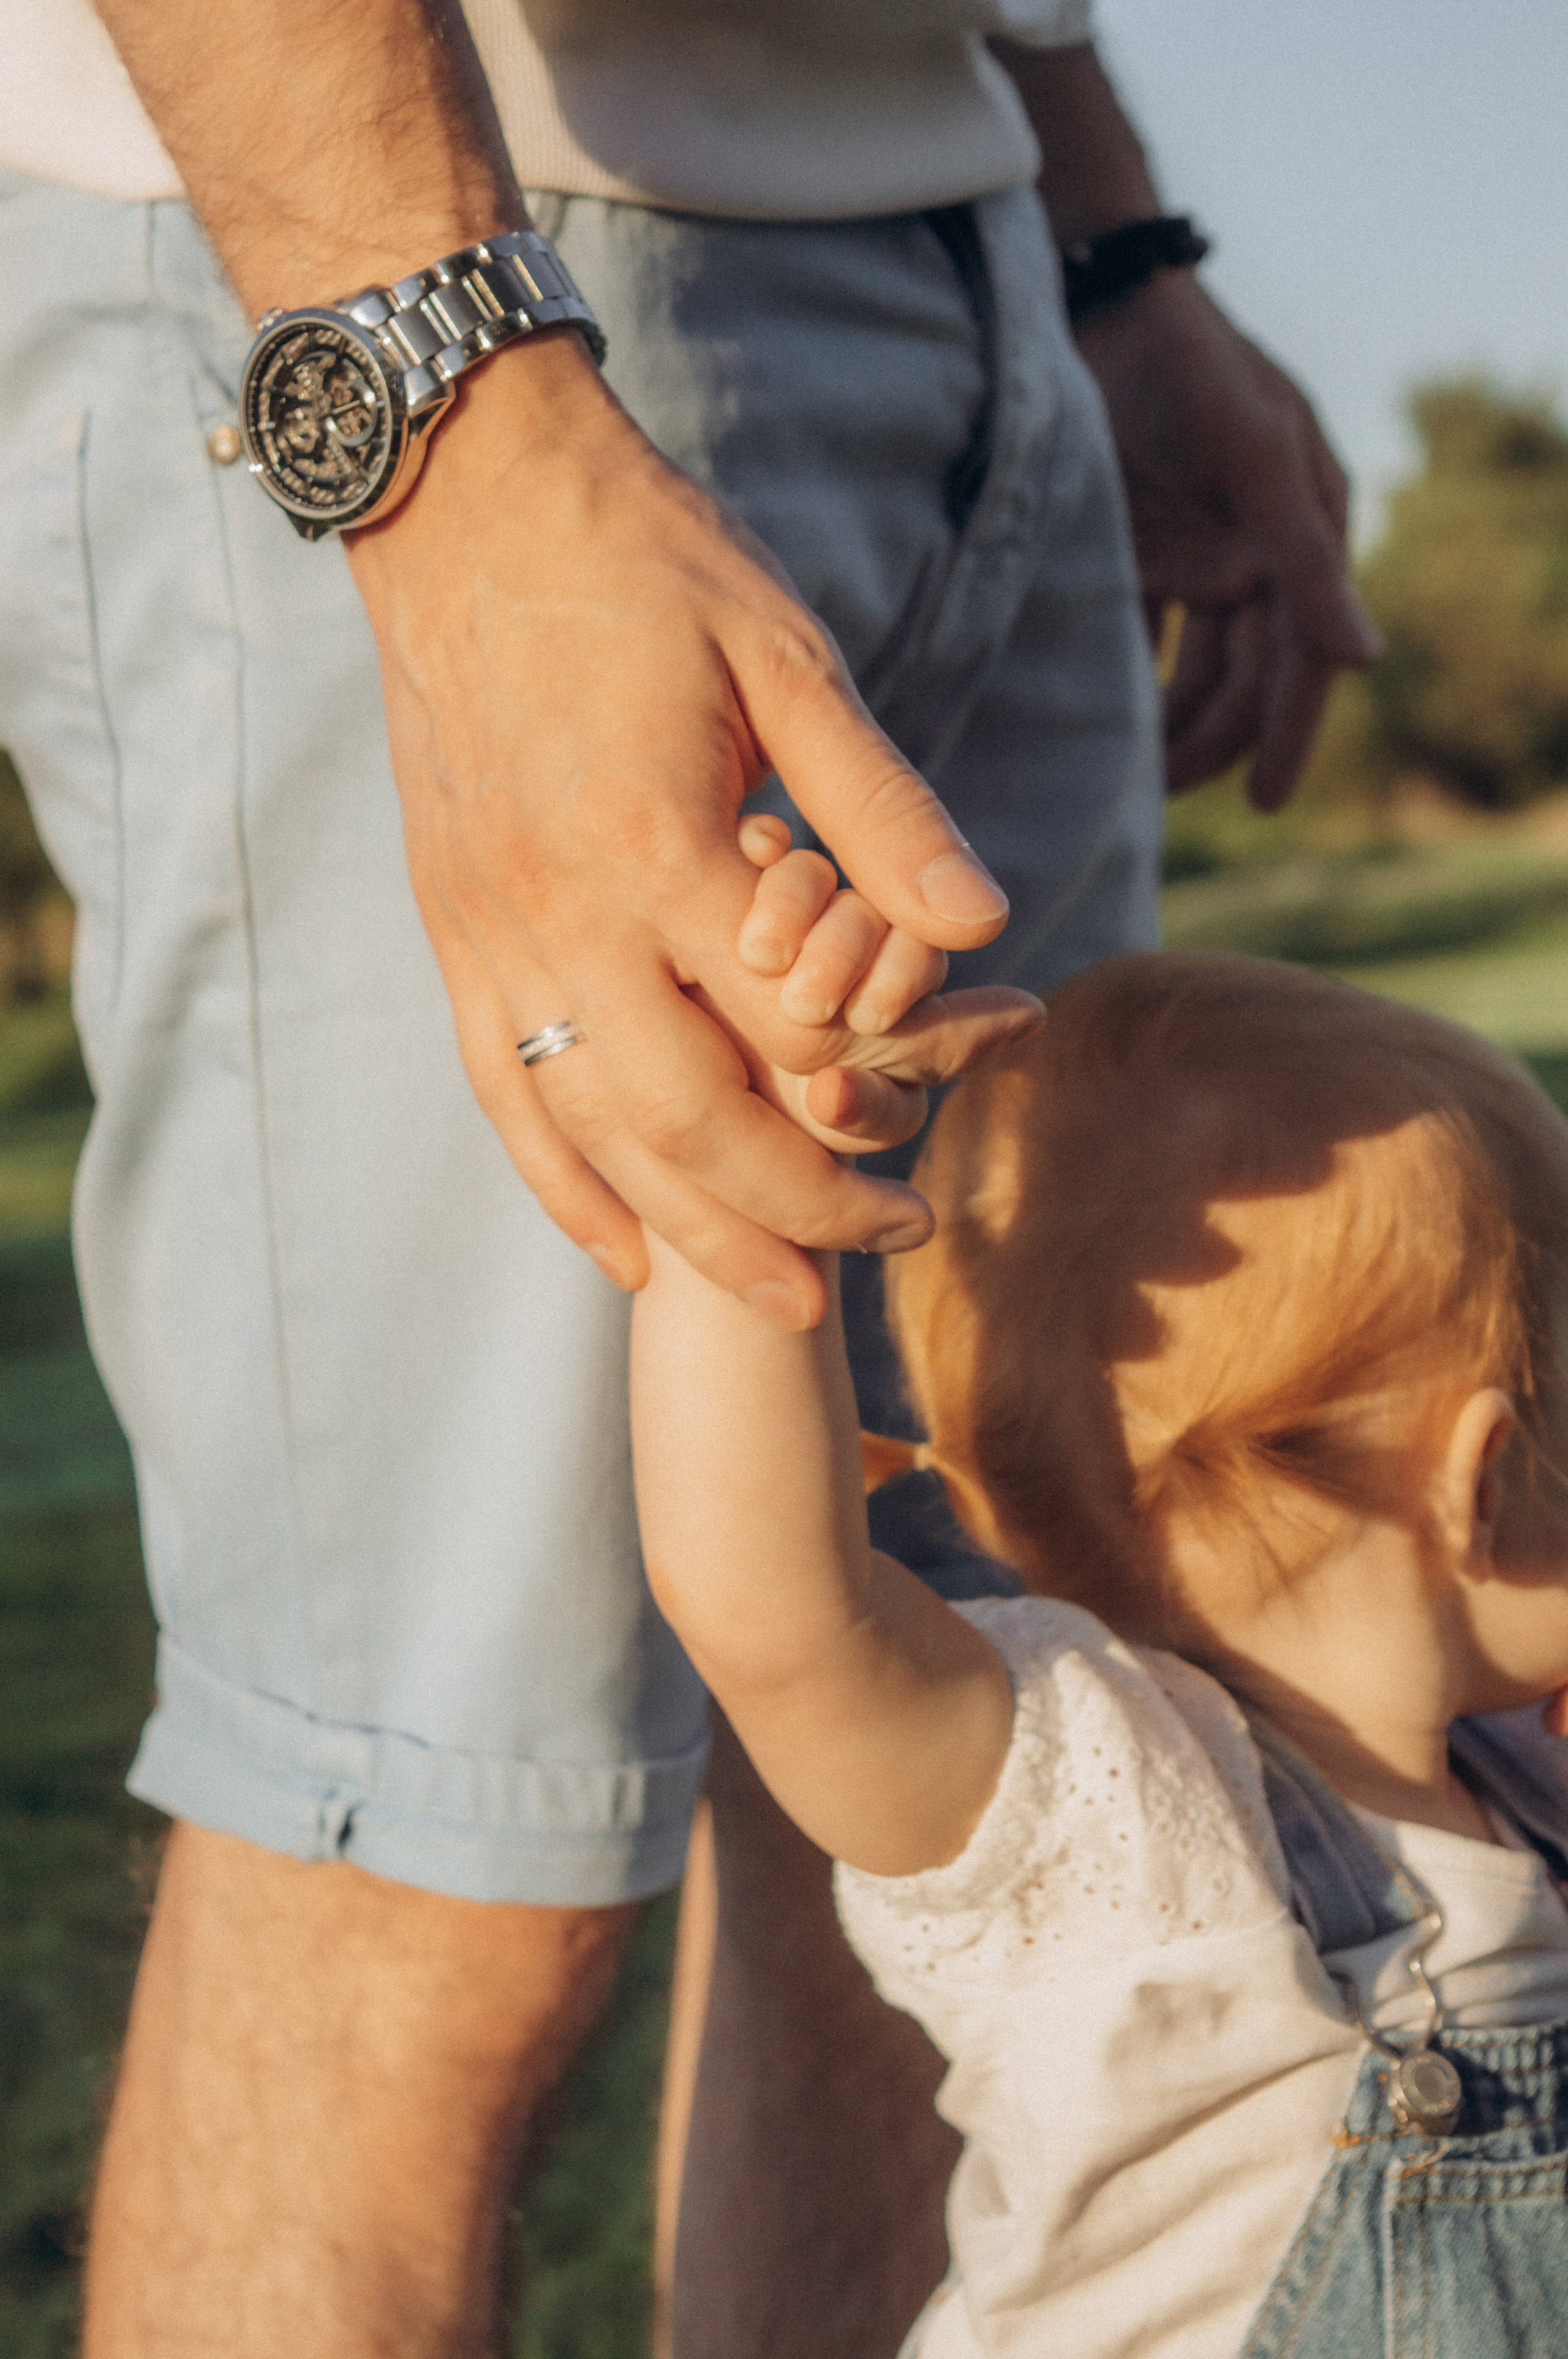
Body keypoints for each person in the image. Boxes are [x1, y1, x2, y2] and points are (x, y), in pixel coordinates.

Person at [0, 1, 1376, 2350]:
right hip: (439, 266)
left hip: (963, 264)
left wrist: (1108, 249)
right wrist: (446, 415)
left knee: (998, 1747)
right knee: (424, 1836)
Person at [633, 929, 1568, 2358]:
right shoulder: (1105, 1812)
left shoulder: (1515, 1776)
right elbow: (778, 1621)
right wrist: (730, 1179)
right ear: (1486, 1476)